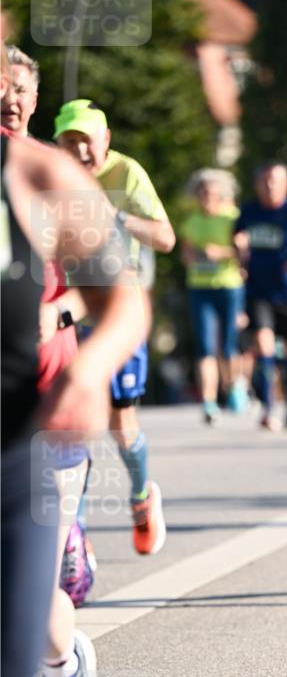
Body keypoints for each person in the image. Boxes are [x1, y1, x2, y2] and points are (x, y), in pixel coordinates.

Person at [1, 48, 148, 677]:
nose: (6, 103)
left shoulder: (40, 175)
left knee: (49, 580)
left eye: (16, 91)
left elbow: (122, 291)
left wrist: (89, 362)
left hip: (33, 434)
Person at [54, 98, 175, 554]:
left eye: (86, 140)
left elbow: (165, 238)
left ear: (105, 140)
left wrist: (117, 216)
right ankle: (74, 538)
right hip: (68, 307)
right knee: (75, 422)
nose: (79, 150)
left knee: (120, 423)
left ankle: (142, 496)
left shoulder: (127, 174)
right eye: (70, 141)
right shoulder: (53, 174)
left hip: (120, 309)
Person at [235, 161, 287, 432]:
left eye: (275, 180)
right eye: (265, 180)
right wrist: (239, 259)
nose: (270, 185)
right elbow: (237, 243)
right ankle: (268, 406)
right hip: (258, 290)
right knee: (263, 346)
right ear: (257, 184)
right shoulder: (248, 211)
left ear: (286, 183)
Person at [181, 168, 247, 424]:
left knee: (229, 345)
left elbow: (243, 253)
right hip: (200, 287)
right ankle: (208, 402)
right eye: (203, 192)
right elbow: (185, 256)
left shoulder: (233, 218)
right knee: (205, 346)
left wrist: (218, 253)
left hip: (230, 286)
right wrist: (197, 256)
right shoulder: (190, 222)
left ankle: (233, 388)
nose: (207, 197)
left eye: (212, 192)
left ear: (221, 194)